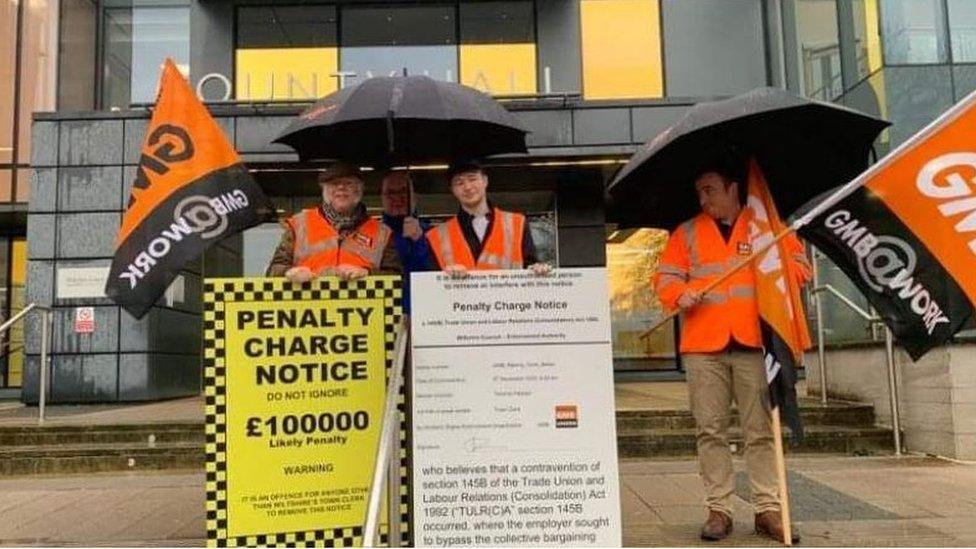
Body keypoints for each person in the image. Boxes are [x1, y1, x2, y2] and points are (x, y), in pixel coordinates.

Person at [654, 159, 808, 544]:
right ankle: (719, 509)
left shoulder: (768, 229)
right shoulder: (686, 233)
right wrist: (680, 294)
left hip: (756, 345)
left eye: (710, 190)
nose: (703, 199)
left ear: (733, 188)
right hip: (703, 347)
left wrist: (774, 264)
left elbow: (803, 271)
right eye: (699, 192)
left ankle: (767, 509)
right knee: (710, 431)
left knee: (761, 431)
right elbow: (664, 278)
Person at [266, 162, 400, 282]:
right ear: (323, 189)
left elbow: (397, 277)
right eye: (334, 183)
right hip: (308, 306)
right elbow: (273, 271)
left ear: (361, 188)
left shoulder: (382, 233)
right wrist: (289, 273)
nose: (341, 187)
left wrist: (367, 273)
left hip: (362, 307)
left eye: (349, 183)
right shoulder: (298, 225)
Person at [425, 160, 550, 276]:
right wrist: (445, 276)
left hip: (508, 299)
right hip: (458, 299)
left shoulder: (517, 223)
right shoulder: (436, 236)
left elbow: (530, 268)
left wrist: (538, 271)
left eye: (472, 179)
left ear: (485, 181)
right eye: (459, 182)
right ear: (452, 189)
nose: (468, 187)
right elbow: (430, 283)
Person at [380, 169, 430, 313]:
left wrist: (419, 242)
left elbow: (434, 276)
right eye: (391, 193)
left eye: (403, 192)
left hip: (427, 315)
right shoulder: (371, 235)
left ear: (414, 196)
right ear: (382, 197)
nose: (398, 198)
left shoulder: (433, 234)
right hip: (384, 315)